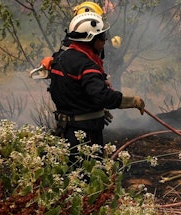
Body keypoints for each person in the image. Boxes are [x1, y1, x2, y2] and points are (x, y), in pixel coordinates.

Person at [47, 10, 145, 148]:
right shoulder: (86, 65)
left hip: (65, 130)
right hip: (85, 135)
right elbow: (102, 96)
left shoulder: (61, 57)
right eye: (102, 36)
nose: (104, 40)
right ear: (90, 39)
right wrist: (131, 101)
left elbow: (72, 89)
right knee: (89, 168)